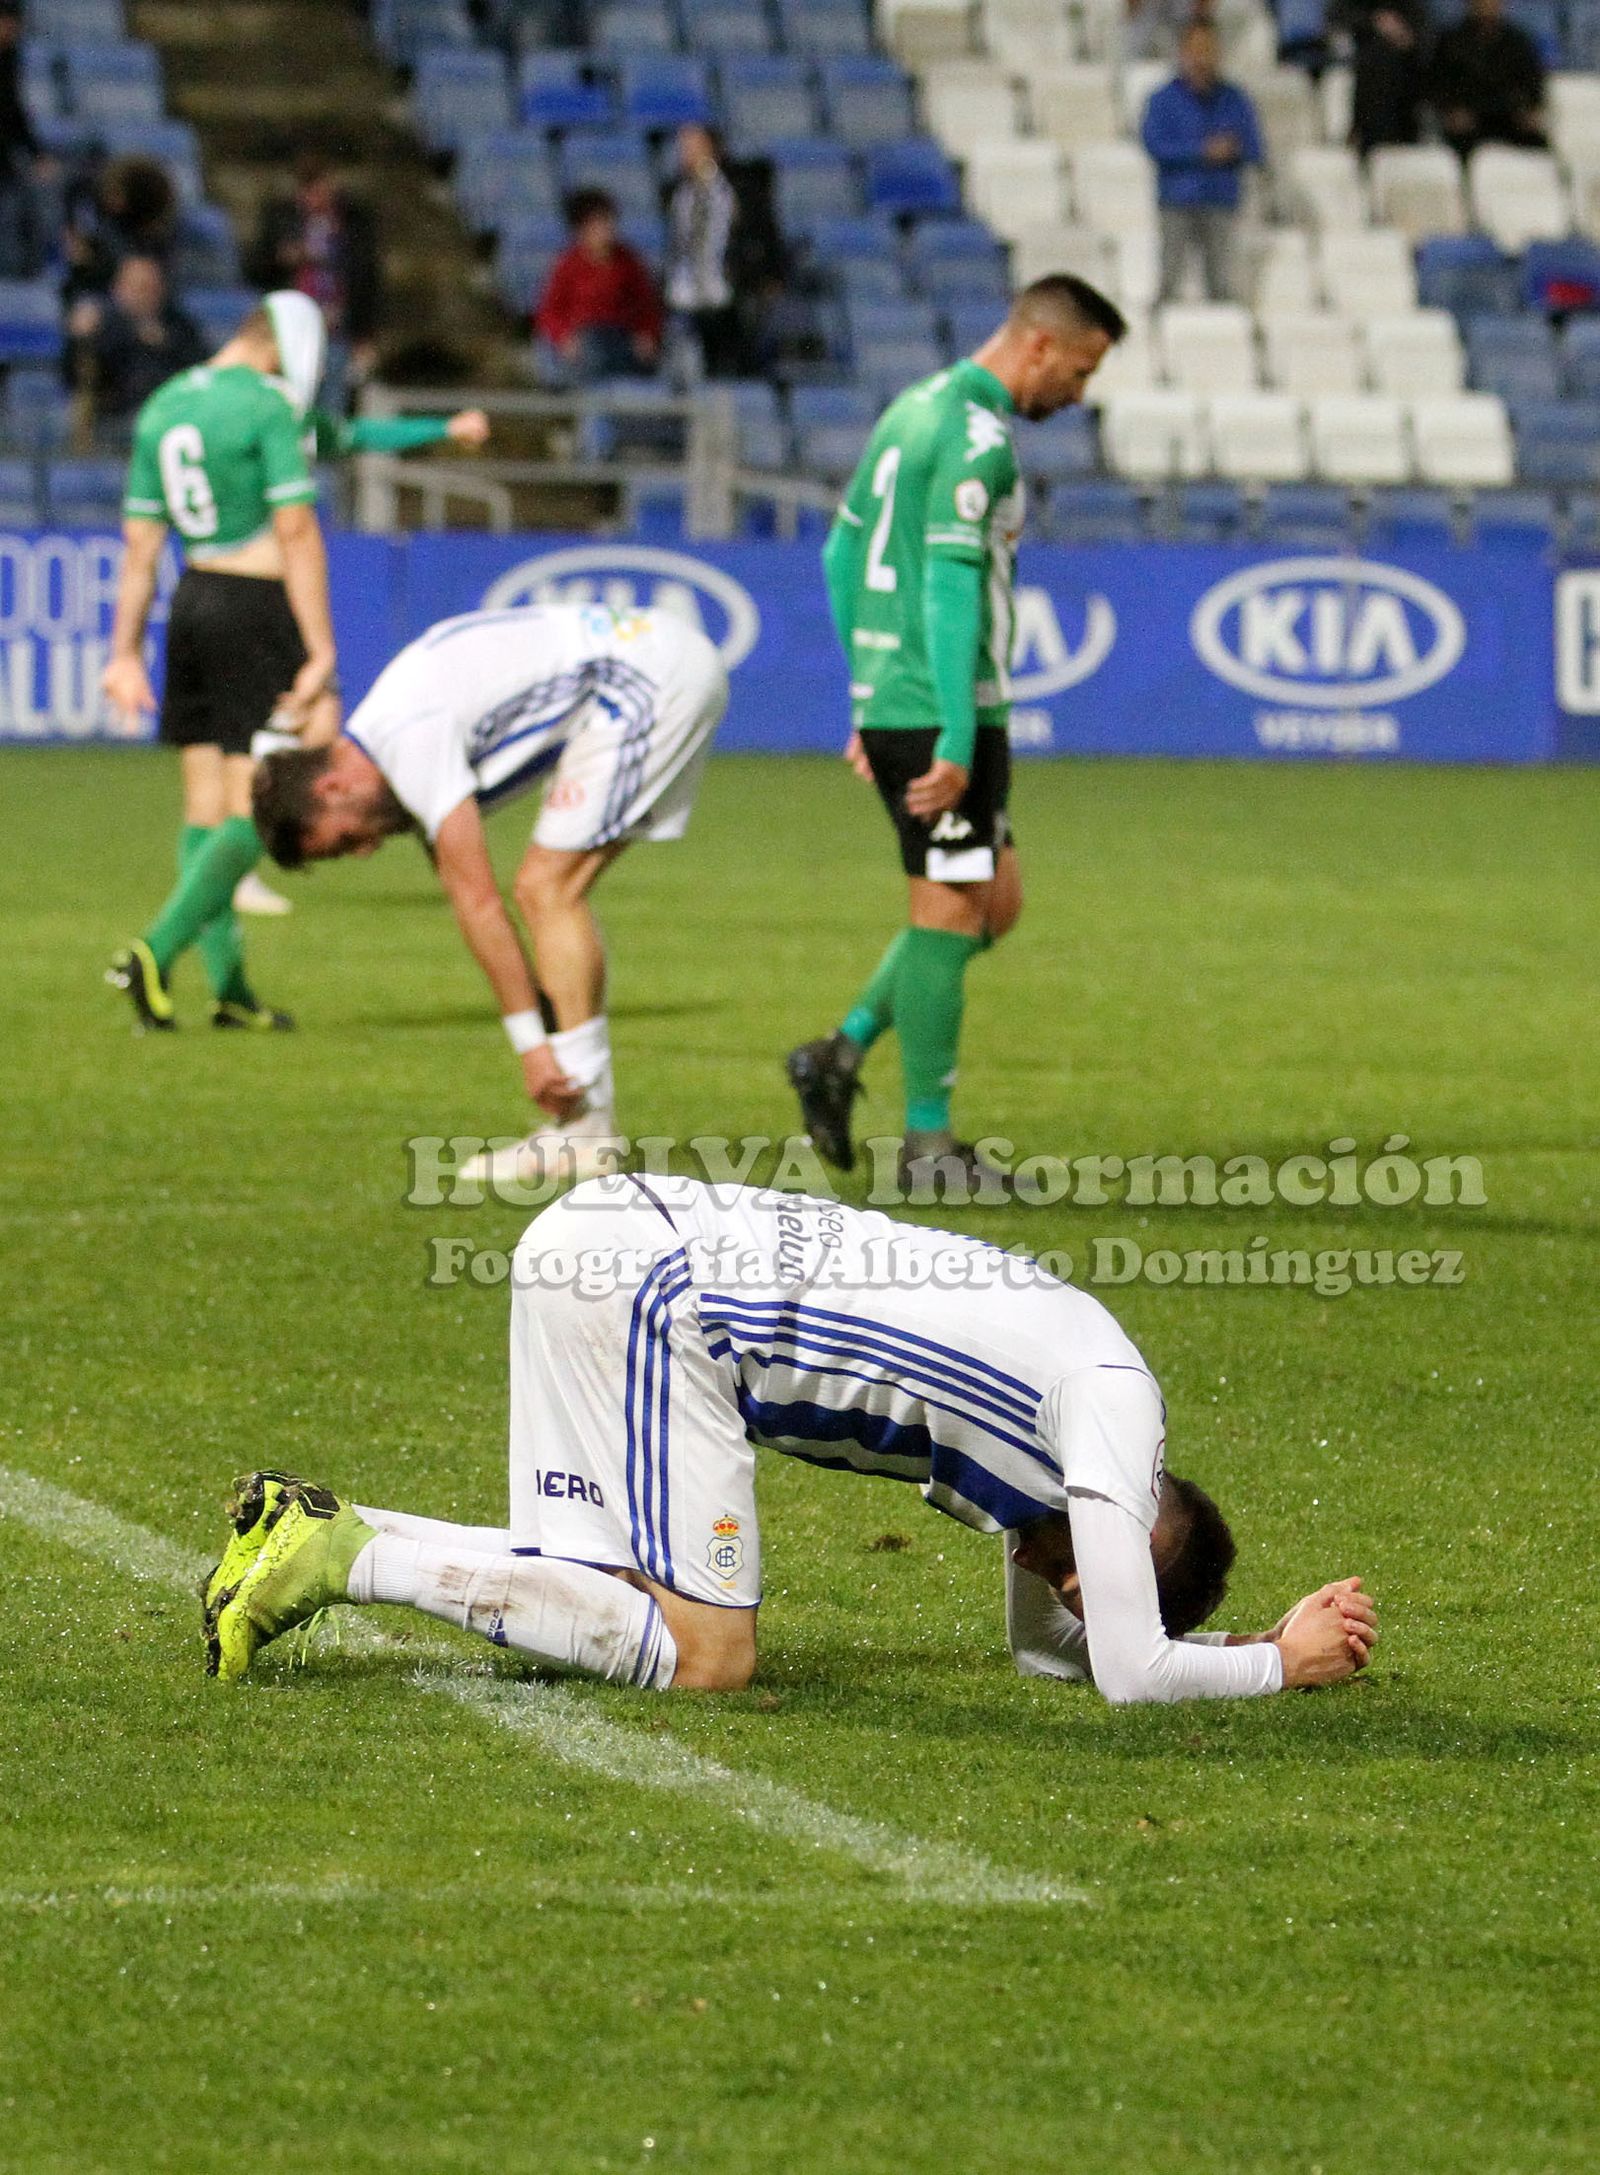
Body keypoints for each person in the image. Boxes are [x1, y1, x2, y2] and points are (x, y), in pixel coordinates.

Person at [199, 1174, 1378, 1701]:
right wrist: (1282, 1665)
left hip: (616, 1231)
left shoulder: (1078, 1432)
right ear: (1125, 1542)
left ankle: (312, 1529)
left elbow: (1046, 1653)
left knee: (602, 1599)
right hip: (662, 1296)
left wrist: (1238, 1643)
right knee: (709, 1657)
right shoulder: (1111, 1422)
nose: (1035, 1570)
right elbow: (1125, 1671)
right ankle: (349, 1561)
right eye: (1080, 1576)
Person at [784, 275, 1125, 1202]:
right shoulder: (978, 440)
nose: (1079, 394)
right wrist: (956, 733)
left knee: (992, 902)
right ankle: (929, 1148)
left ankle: (838, 1051)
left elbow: (840, 553)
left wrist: (867, 693)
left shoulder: (912, 409)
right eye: (1081, 371)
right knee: (947, 914)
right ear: (1040, 346)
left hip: (903, 700)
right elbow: (947, 586)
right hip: (945, 707)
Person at [247, 600, 728, 1176]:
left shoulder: (408, 742)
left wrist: (533, 1050)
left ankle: (586, 1134)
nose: (367, 850)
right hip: (652, 661)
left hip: (648, 680)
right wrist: (540, 1032)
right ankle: (582, 1124)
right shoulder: (389, 736)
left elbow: (478, 902)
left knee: (547, 889)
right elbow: (468, 904)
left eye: (347, 840)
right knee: (546, 890)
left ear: (332, 788)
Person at [104, 292, 336, 1035]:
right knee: (261, 807)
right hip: (254, 606)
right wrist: (321, 647)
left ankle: (230, 991)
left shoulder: (164, 404)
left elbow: (141, 548)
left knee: (204, 809)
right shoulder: (268, 405)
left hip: (193, 598)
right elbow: (296, 530)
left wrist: (123, 653)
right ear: (281, 351)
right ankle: (154, 950)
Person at [1141, 21, 1263, 303]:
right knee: (1169, 279)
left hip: (1220, 198)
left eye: (1207, 50)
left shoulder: (1235, 99)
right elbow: (1155, 145)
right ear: (1182, 52)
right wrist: (1202, 151)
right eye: (1195, 50)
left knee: (1220, 284)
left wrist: (1232, 149)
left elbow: (1254, 147)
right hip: (1178, 198)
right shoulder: (1162, 99)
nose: (1201, 58)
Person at [247, 151, 382, 385]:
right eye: (307, 190)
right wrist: (282, 257)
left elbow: (366, 280)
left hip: (336, 331)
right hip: (290, 332)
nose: (312, 198)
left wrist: (364, 334)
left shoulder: (354, 223)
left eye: (318, 189)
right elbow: (254, 269)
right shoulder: (282, 219)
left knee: (332, 398)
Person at [663, 123, 784, 381]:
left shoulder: (738, 189)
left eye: (693, 146)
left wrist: (768, 275)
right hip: (688, 293)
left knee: (735, 364)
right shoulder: (679, 192)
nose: (685, 153)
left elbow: (765, 234)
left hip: (729, 290)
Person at [532, 188, 663, 385]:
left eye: (607, 222)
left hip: (622, 336)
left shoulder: (628, 262)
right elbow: (549, 311)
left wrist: (647, 333)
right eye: (596, 225)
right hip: (586, 339)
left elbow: (646, 306)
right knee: (592, 356)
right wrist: (563, 337)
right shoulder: (568, 264)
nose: (605, 230)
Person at [63, 252, 207, 422]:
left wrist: (162, 343)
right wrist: (81, 339)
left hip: (170, 413)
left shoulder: (179, 326)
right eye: (139, 287)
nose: (147, 294)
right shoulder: (102, 324)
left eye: (153, 287)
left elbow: (198, 368)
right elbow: (79, 375)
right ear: (118, 288)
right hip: (116, 418)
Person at [1426, 0, 1546, 160]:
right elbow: (1437, 84)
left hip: (1509, 117)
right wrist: (1450, 110)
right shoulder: (1450, 41)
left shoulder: (1519, 41)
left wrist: (1530, 110)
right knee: (1458, 142)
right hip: (1468, 119)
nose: (1488, 4)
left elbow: (1532, 84)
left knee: (1536, 143)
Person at [1336, 0, 1430, 155]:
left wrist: (1404, 36)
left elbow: (1427, 42)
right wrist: (1375, 22)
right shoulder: (1361, 16)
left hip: (1406, 106)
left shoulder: (1414, 10)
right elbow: (1341, 20)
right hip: (1370, 114)